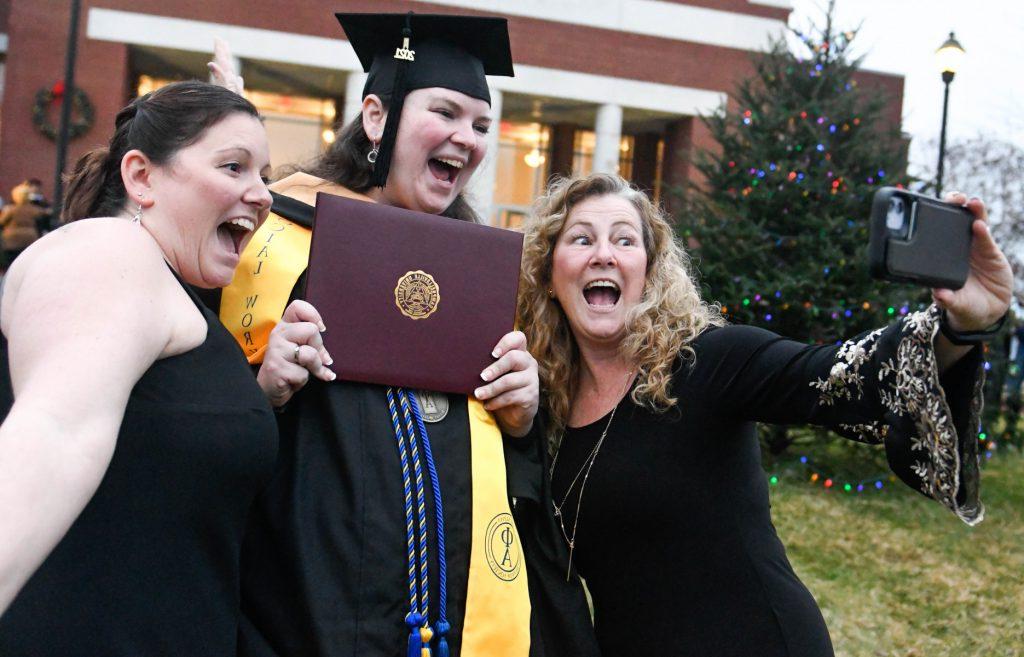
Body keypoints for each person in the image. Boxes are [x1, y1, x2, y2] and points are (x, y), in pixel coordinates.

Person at [209, 13, 599, 657]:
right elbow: (205, 432)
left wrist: (524, 417)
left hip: (456, 605)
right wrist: (265, 388)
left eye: (480, 125)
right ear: (375, 117)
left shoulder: (482, 277)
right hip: (315, 603)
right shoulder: (274, 240)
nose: (466, 138)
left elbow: (515, 481)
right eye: (444, 112)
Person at [516, 173, 1013, 657]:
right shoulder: (545, 405)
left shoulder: (709, 362)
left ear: (648, 269)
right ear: (550, 273)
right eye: (581, 239)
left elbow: (841, 375)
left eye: (624, 241)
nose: (603, 253)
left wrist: (961, 326)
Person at [0, 81, 281, 655]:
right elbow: (56, 431)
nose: (263, 195)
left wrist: (264, 392)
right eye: (234, 167)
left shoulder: (175, 288)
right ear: (141, 176)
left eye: (264, 177)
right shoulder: (110, 251)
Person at [0, 181, 46, 266]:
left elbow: (2, 222)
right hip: (29, 238)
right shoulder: (34, 209)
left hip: (11, 240)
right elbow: (43, 216)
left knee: (11, 264)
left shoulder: (10, 209)